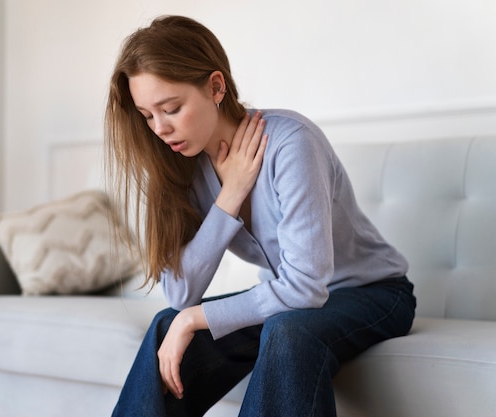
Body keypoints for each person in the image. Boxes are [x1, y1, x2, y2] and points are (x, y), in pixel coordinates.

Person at [105, 15, 416, 417]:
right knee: (167, 324)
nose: (160, 129)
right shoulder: (182, 165)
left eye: (171, 108)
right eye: (148, 116)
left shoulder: (290, 144)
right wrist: (229, 197)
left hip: (374, 294)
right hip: (290, 302)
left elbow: (305, 288)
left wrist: (193, 321)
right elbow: (181, 296)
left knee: (287, 331)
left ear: (216, 87)